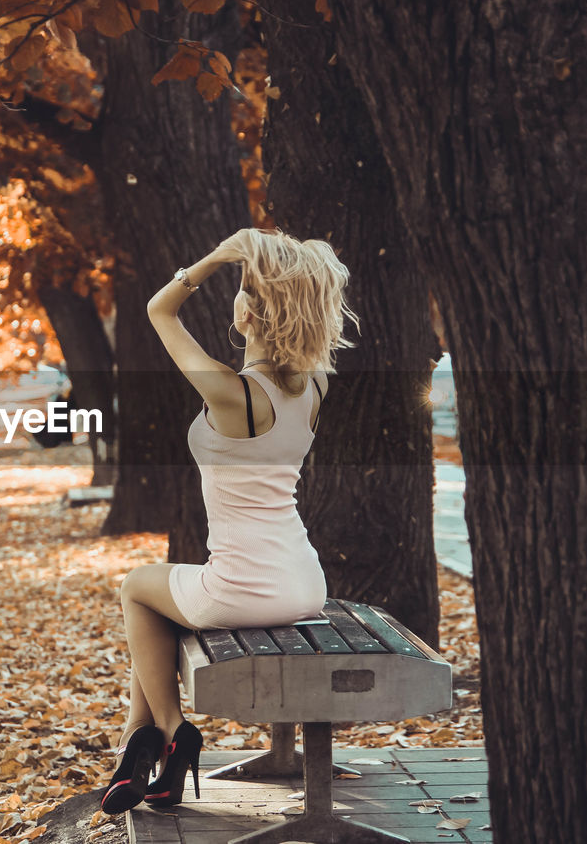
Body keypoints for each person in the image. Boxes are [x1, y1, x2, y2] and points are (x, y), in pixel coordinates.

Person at [99, 227, 361, 815]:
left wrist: (215, 257)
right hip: (303, 583)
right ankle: (140, 751)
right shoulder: (313, 387)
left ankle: (171, 731)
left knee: (136, 588)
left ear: (252, 314)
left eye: (243, 290)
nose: (234, 296)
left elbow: (158, 310)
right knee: (164, 602)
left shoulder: (232, 394)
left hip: (244, 588)